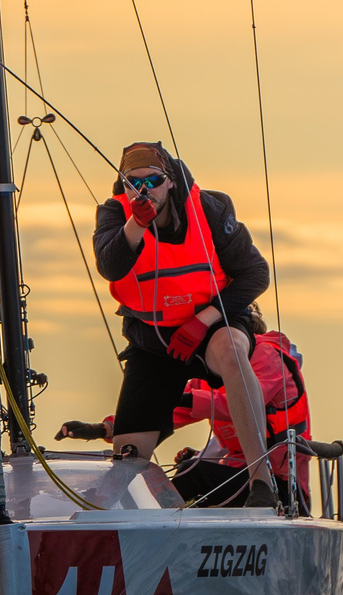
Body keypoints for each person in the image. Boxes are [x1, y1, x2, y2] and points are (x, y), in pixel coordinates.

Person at [85, 141, 281, 506]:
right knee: (129, 452)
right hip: (154, 340)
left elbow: (256, 274)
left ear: (170, 181)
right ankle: (116, 521)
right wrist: (137, 223)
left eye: (153, 180)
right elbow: (110, 266)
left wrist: (201, 321)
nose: (145, 190)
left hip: (213, 324)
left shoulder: (209, 208)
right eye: (134, 183)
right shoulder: (114, 215)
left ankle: (262, 483)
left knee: (233, 350)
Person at [58, 305, 313, 510]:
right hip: (236, 479)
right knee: (187, 471)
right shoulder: (210, 369)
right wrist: (104, 428)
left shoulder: (267, 356)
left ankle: (155, 528)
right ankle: (145, 522)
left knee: (196, 476)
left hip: (281, 486)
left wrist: (183, 400)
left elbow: (240, 401)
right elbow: (166, 412)